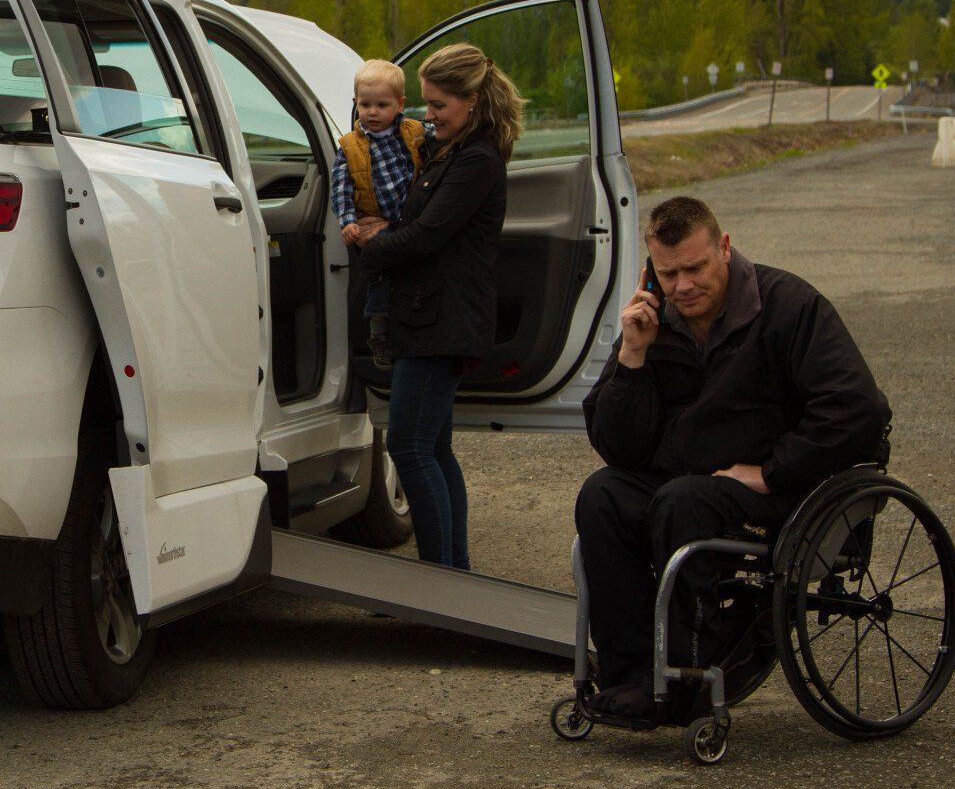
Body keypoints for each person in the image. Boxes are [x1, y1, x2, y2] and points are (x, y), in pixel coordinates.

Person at [574, 195, 890, 723]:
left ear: (724, 247)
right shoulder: (655, 324)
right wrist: (632, 357)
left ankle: (686, 676)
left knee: (682, 501)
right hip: (692, 484)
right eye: (667, 273)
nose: (682, 286)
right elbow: (619, 448)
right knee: (603, 494)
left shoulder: (788, 305)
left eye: (695, 268)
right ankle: (630, 677)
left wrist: (771, 471)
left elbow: (857, 409)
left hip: (784, 491)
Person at [360, 44, 523, 569]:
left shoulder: (476, 160)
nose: (426, 115)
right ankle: (456, 575)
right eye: (425, 103)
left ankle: (441, 583)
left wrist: (371, 244)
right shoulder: (450, 151)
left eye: (438, 105)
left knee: (408, 448)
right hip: (432, 319)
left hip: (440, 324)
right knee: (433, 449)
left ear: (472, 101)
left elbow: (427, 236)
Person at [329, 60, 427, 369]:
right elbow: (340, 189)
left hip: (409, 220)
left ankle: (412, 325)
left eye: (381, 105)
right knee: (380, 271)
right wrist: (347, 222)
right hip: (377, 222)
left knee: (412, 271)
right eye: (365, 104)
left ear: (400, 105)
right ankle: (378, 333)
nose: (372, 112)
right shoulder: (350, 147)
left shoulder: (414, 134)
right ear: (356, 103)